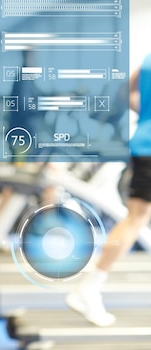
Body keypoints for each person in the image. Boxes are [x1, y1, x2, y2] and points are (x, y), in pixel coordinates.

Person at [66, 54, 151, 327]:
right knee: (136, 218)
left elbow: (124, 93)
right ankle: (90, 286)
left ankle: (90, 285)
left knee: (136, 217)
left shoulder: (148, 60)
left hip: (141, 142)